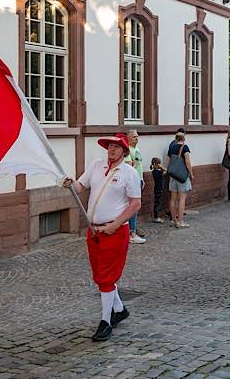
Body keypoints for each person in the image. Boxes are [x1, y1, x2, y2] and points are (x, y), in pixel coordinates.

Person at [64, 133, 141, 342]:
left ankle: (106, 322)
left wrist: (115, 224)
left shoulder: (129, 173)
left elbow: (135, 204)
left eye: (116, 147)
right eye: (109, 146)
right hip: (94, 230)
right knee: (100, 275)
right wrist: (71, 183)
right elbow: (81, 186)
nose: (111, 150)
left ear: (124, 151)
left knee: (107, 277)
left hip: (115, 232)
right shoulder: (97, 166)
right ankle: (119, 309)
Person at [166, 132, 194, 228]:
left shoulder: (171, 148)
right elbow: (187, 162)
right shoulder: (185, 148)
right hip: (182, 176)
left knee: (173, 199)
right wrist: (191, 174)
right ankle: (180, 221)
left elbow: (168, 162)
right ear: (183, 138)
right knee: (182, 199)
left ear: (176, 138)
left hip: (173, 175)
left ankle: (174, 220)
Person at [125, 130, 147, 244]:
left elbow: (139, 166)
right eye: (134, 137)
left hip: (138, 180)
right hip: (132, 182)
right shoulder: (127, 150)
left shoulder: (136, 149)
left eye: (137, 136)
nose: (136, 139)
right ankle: (131, 233)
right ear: (128, 138)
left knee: (136, 207)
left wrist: (142, 179)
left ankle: (132, 230)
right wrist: (134, 164)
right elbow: (130, 168)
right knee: (132, 207)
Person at [150, 157, 165, 223]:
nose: (160, 165)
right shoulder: (155, 172)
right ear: (155, 164)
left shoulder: (158, 171)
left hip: (159, 189)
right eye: (159, 164)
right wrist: (161, 167)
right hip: (157, 189)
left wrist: (160, 167)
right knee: (157, 203)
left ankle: (157, 217)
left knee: (158, 203)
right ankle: (156, 217)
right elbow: (166, 171)